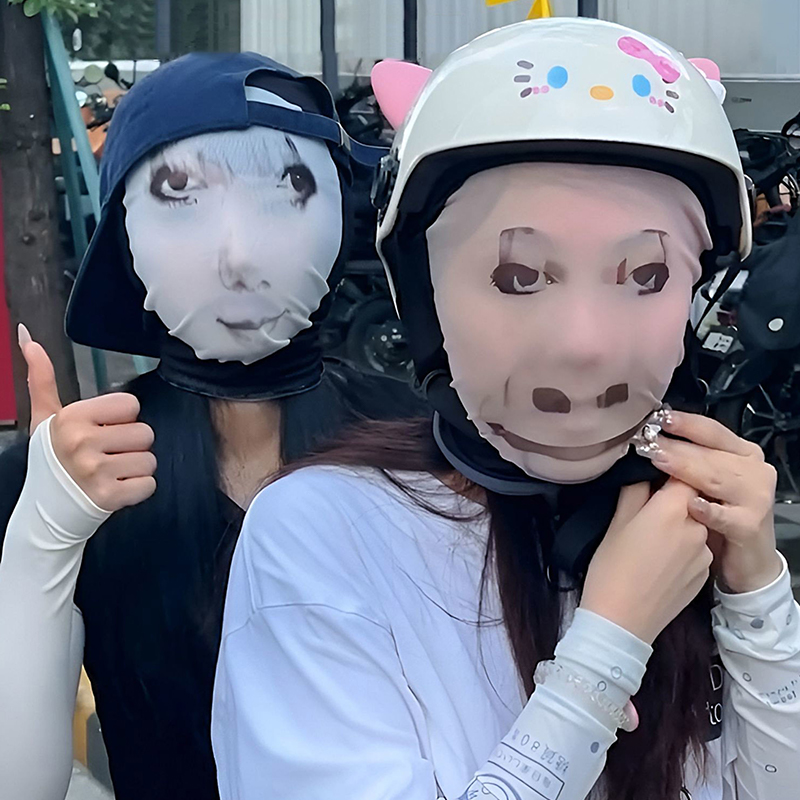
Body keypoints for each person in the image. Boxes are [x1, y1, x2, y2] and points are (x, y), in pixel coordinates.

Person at [211, 19, 800, 800]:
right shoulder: (324, 532)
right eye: (519, 277)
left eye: (646, 276)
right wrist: (608, 642)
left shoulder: (688, 529)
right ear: (424, 299)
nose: (584, 343)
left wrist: (755, 594)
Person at [0, 52, 423, 800]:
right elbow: (20, 781)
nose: (239, 256)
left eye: (290, 188)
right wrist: (44, 534)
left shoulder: (422, 445)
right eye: (179, 194)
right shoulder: (74, 475)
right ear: (125, 233)